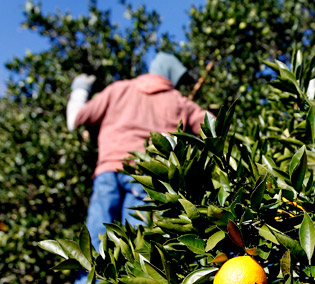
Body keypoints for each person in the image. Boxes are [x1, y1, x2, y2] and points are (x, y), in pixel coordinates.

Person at [67, 52, 212, 283]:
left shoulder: (118, 89)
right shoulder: (179, 101)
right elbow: (213, 126)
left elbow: (75, 120)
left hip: (107, 173)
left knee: (93, 249)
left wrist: (80, 88)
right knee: (141, 255)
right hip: (147, 177)